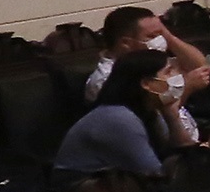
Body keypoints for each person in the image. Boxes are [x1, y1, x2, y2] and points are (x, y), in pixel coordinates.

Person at [54, 43, 181, 178]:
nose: (176, 76)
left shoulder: (148, 110)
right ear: (146, 84)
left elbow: (181, 149)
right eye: (168, 72)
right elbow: (157, 175)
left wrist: (171, 114)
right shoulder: (118, 118)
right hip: (81, 191)